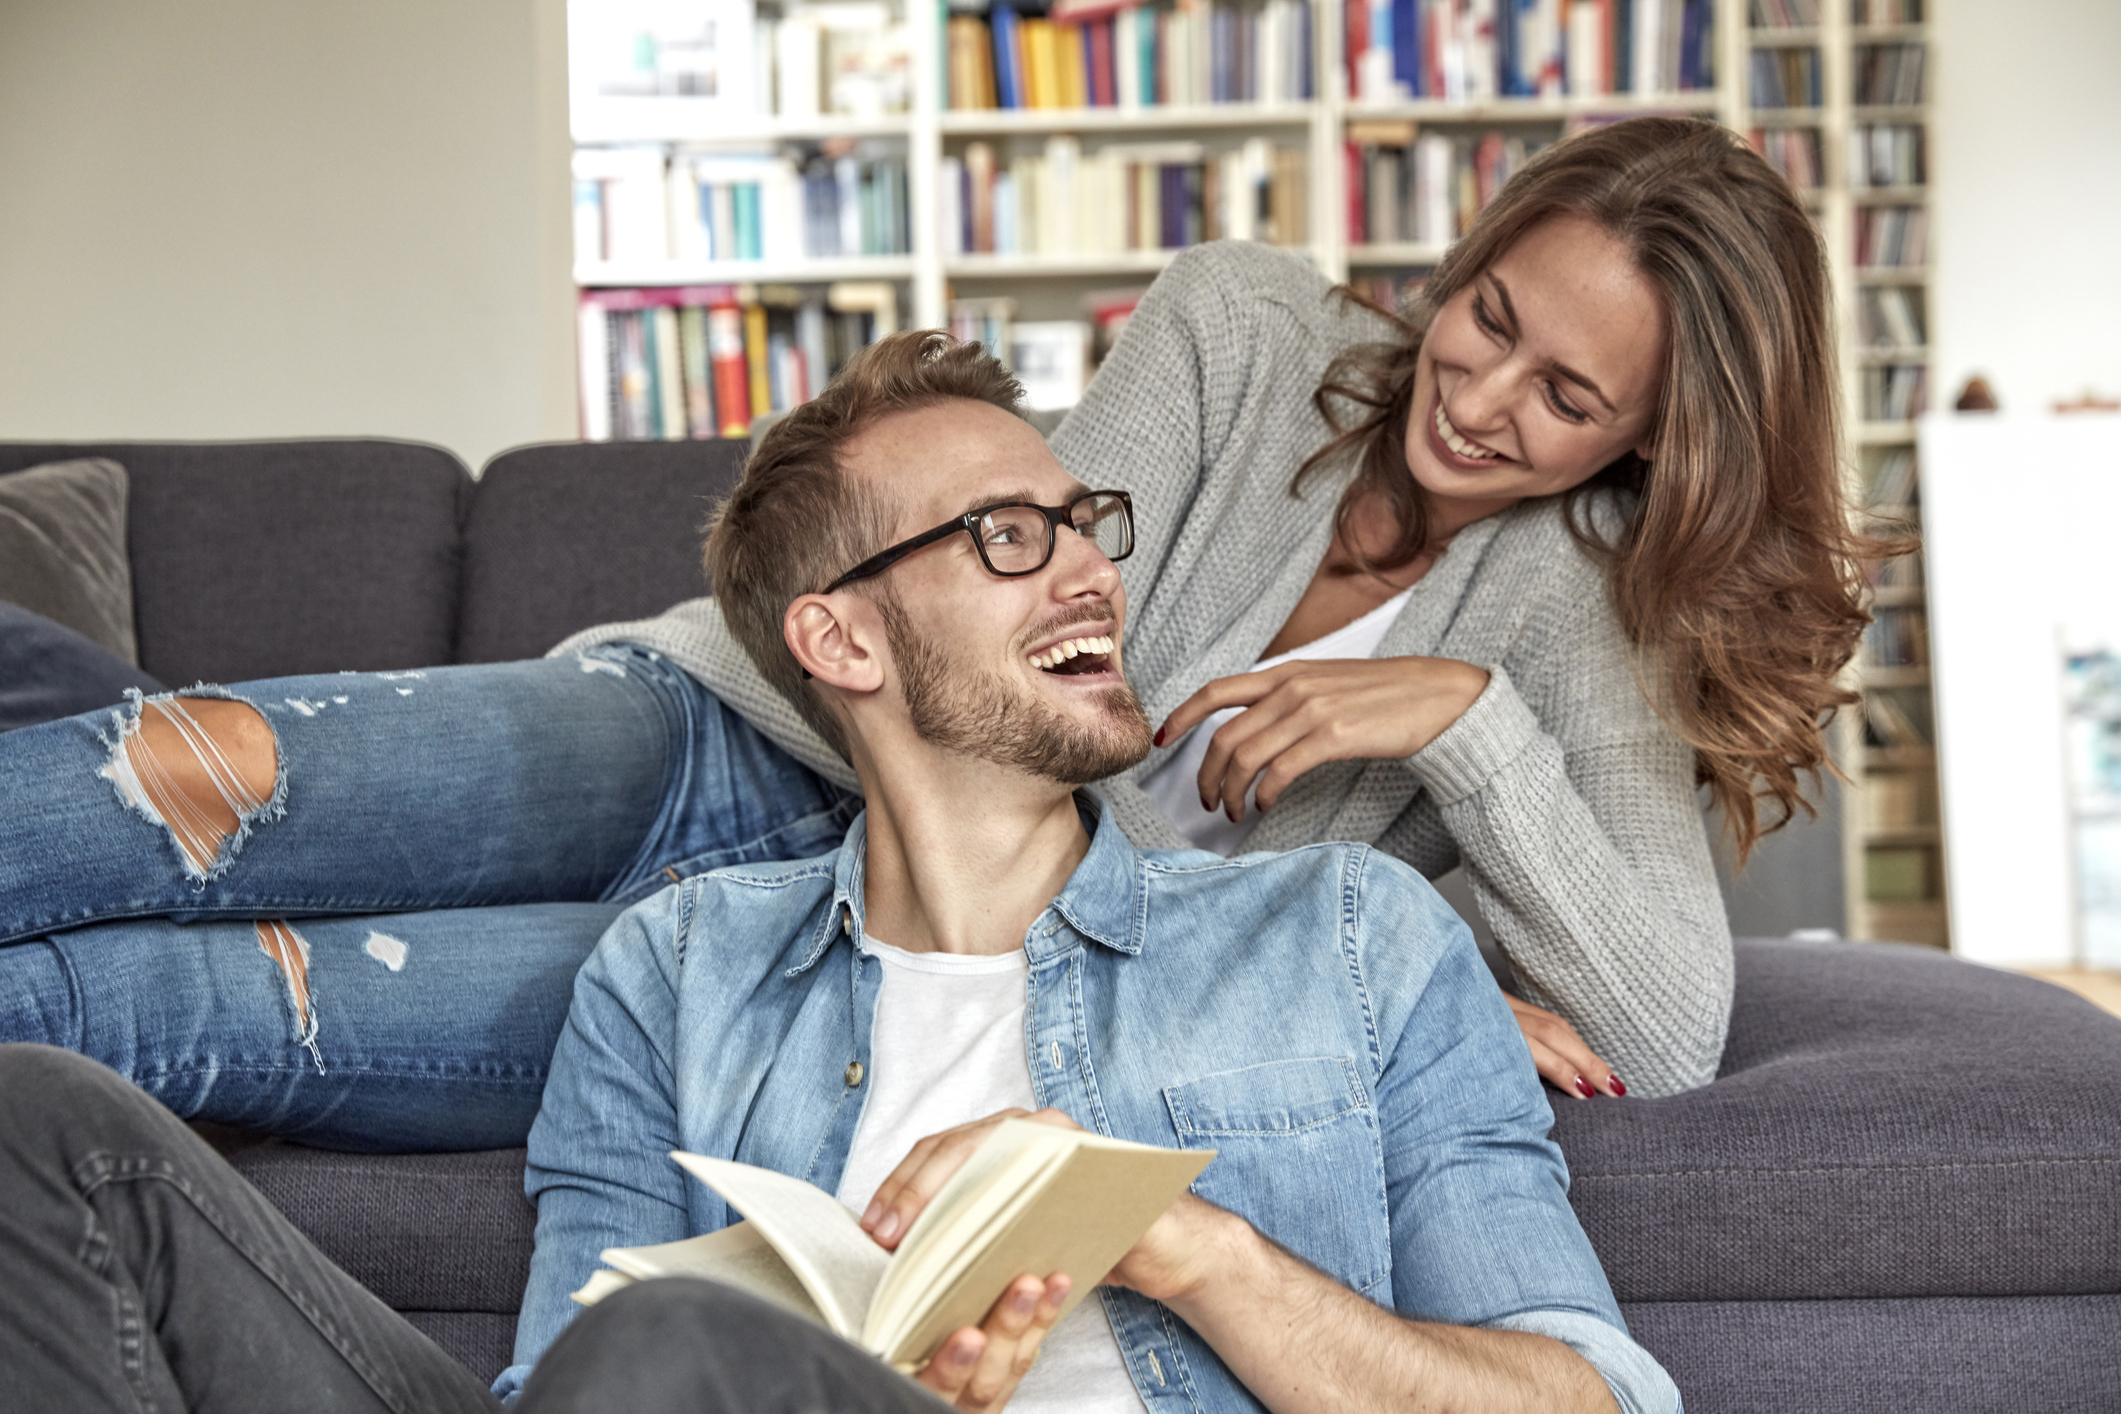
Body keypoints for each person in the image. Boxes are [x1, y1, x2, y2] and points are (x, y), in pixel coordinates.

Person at [0, 116, 1868, 1140]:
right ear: (1460, 260)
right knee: (183, 784)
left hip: (845, 962)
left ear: (1646, 441)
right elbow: (992, 585)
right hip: (729, 727)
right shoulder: (1243, 326)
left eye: (1566, 398)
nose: (1481, 398)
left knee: (173, 1008)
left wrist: (1461, 721)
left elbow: (1669, 1027)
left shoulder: (1569, 615)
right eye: (1486, 318)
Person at [0, 336, 1677, 1413]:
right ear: (840, 637)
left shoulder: (1349, 936)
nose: (1091, 561)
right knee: (46, 1128)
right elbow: (563, 1381)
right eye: (1008, 534)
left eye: (1082, 518)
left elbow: (1588, 1397)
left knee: (668, 1349)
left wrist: (1182, 1245)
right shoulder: (676, 967)